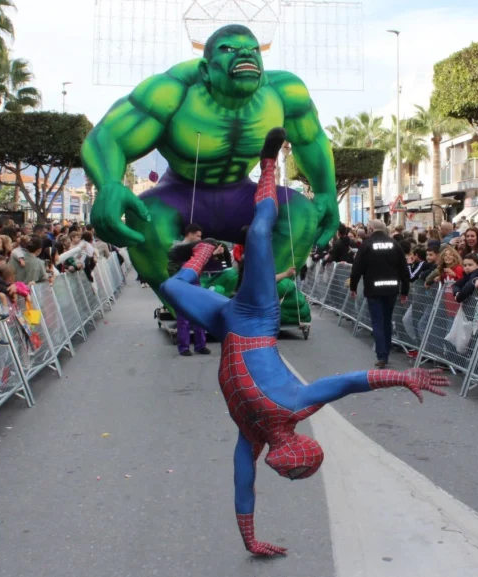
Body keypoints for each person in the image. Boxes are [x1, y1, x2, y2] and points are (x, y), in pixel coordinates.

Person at [159, 129, 447, 555]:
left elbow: (243, 483)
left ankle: (200, 257)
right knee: (258, 235)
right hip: (256, 317)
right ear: (302, 446)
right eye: (298, 466)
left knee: (171, 287)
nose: (288, 468)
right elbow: (352, 380)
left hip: (225, 326)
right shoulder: (299, 404)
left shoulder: (253, 435)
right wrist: (403, 379)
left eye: (291, 472)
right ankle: (269, 164)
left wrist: (251, 539)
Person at [351, 218, 410, 369]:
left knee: (377, 322)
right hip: (391, 289)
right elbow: (404, 268)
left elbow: (357, 268)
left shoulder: (367, 245)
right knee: (387, 321)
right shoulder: (394, 244)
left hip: (373, 289)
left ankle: (382, 355)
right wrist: (404, 291)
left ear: (370, 229)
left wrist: (353, 286)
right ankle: (386, 352)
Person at [167, 223, 212, 357]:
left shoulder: (197, 249)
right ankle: (184, 347)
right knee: (183, 318)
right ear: (190, 234)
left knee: (199, 316)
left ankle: (201, 345)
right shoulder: (176, 249)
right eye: (198, 236)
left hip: (196, 284)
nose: (199, 239)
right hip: (181, 286)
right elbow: (171, 268)